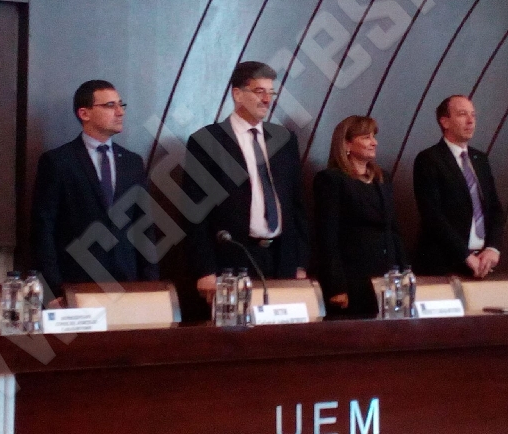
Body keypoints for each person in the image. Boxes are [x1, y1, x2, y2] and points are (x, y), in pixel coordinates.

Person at [183, 61, 309, 302]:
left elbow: (297, 206)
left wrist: (300, 263)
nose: (267, 99)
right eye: (259, 91)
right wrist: (205, 270)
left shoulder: (284, 139)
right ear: (237, 94)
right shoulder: (208, 141)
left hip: (281, 258)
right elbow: (195, 213)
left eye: (271, 92)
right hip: (233, 259)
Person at [31, 80, 158, 306]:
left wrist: (150, 284)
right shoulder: (58, 162)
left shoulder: (132, 163)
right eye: (110, 105)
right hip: (75, 283)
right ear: (84, 113)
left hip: (127, 283)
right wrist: (53, 288)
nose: (120, 112)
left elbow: (144, 226)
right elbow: (43, 229)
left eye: (121, 105)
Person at [313, 116, 407, 317]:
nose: (374, 142)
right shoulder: (331, 180)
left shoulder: (382, 178)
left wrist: (404, 272)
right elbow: (327, 237)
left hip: (388, 277)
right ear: (347, 144)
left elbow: (393, 230)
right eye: (366, 137)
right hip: (353, 279)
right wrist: (336, 286)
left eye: (374, 136)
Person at [413, 95, 504, 277]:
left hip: (482, 262)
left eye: (473, 115)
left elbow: (494, 208)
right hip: (445, 263)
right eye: (463, 114)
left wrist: (493, 248)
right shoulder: (429, 159)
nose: (471, 121)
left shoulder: (480, 159)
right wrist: (465, 255)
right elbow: (432, 215)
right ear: (445, 122)